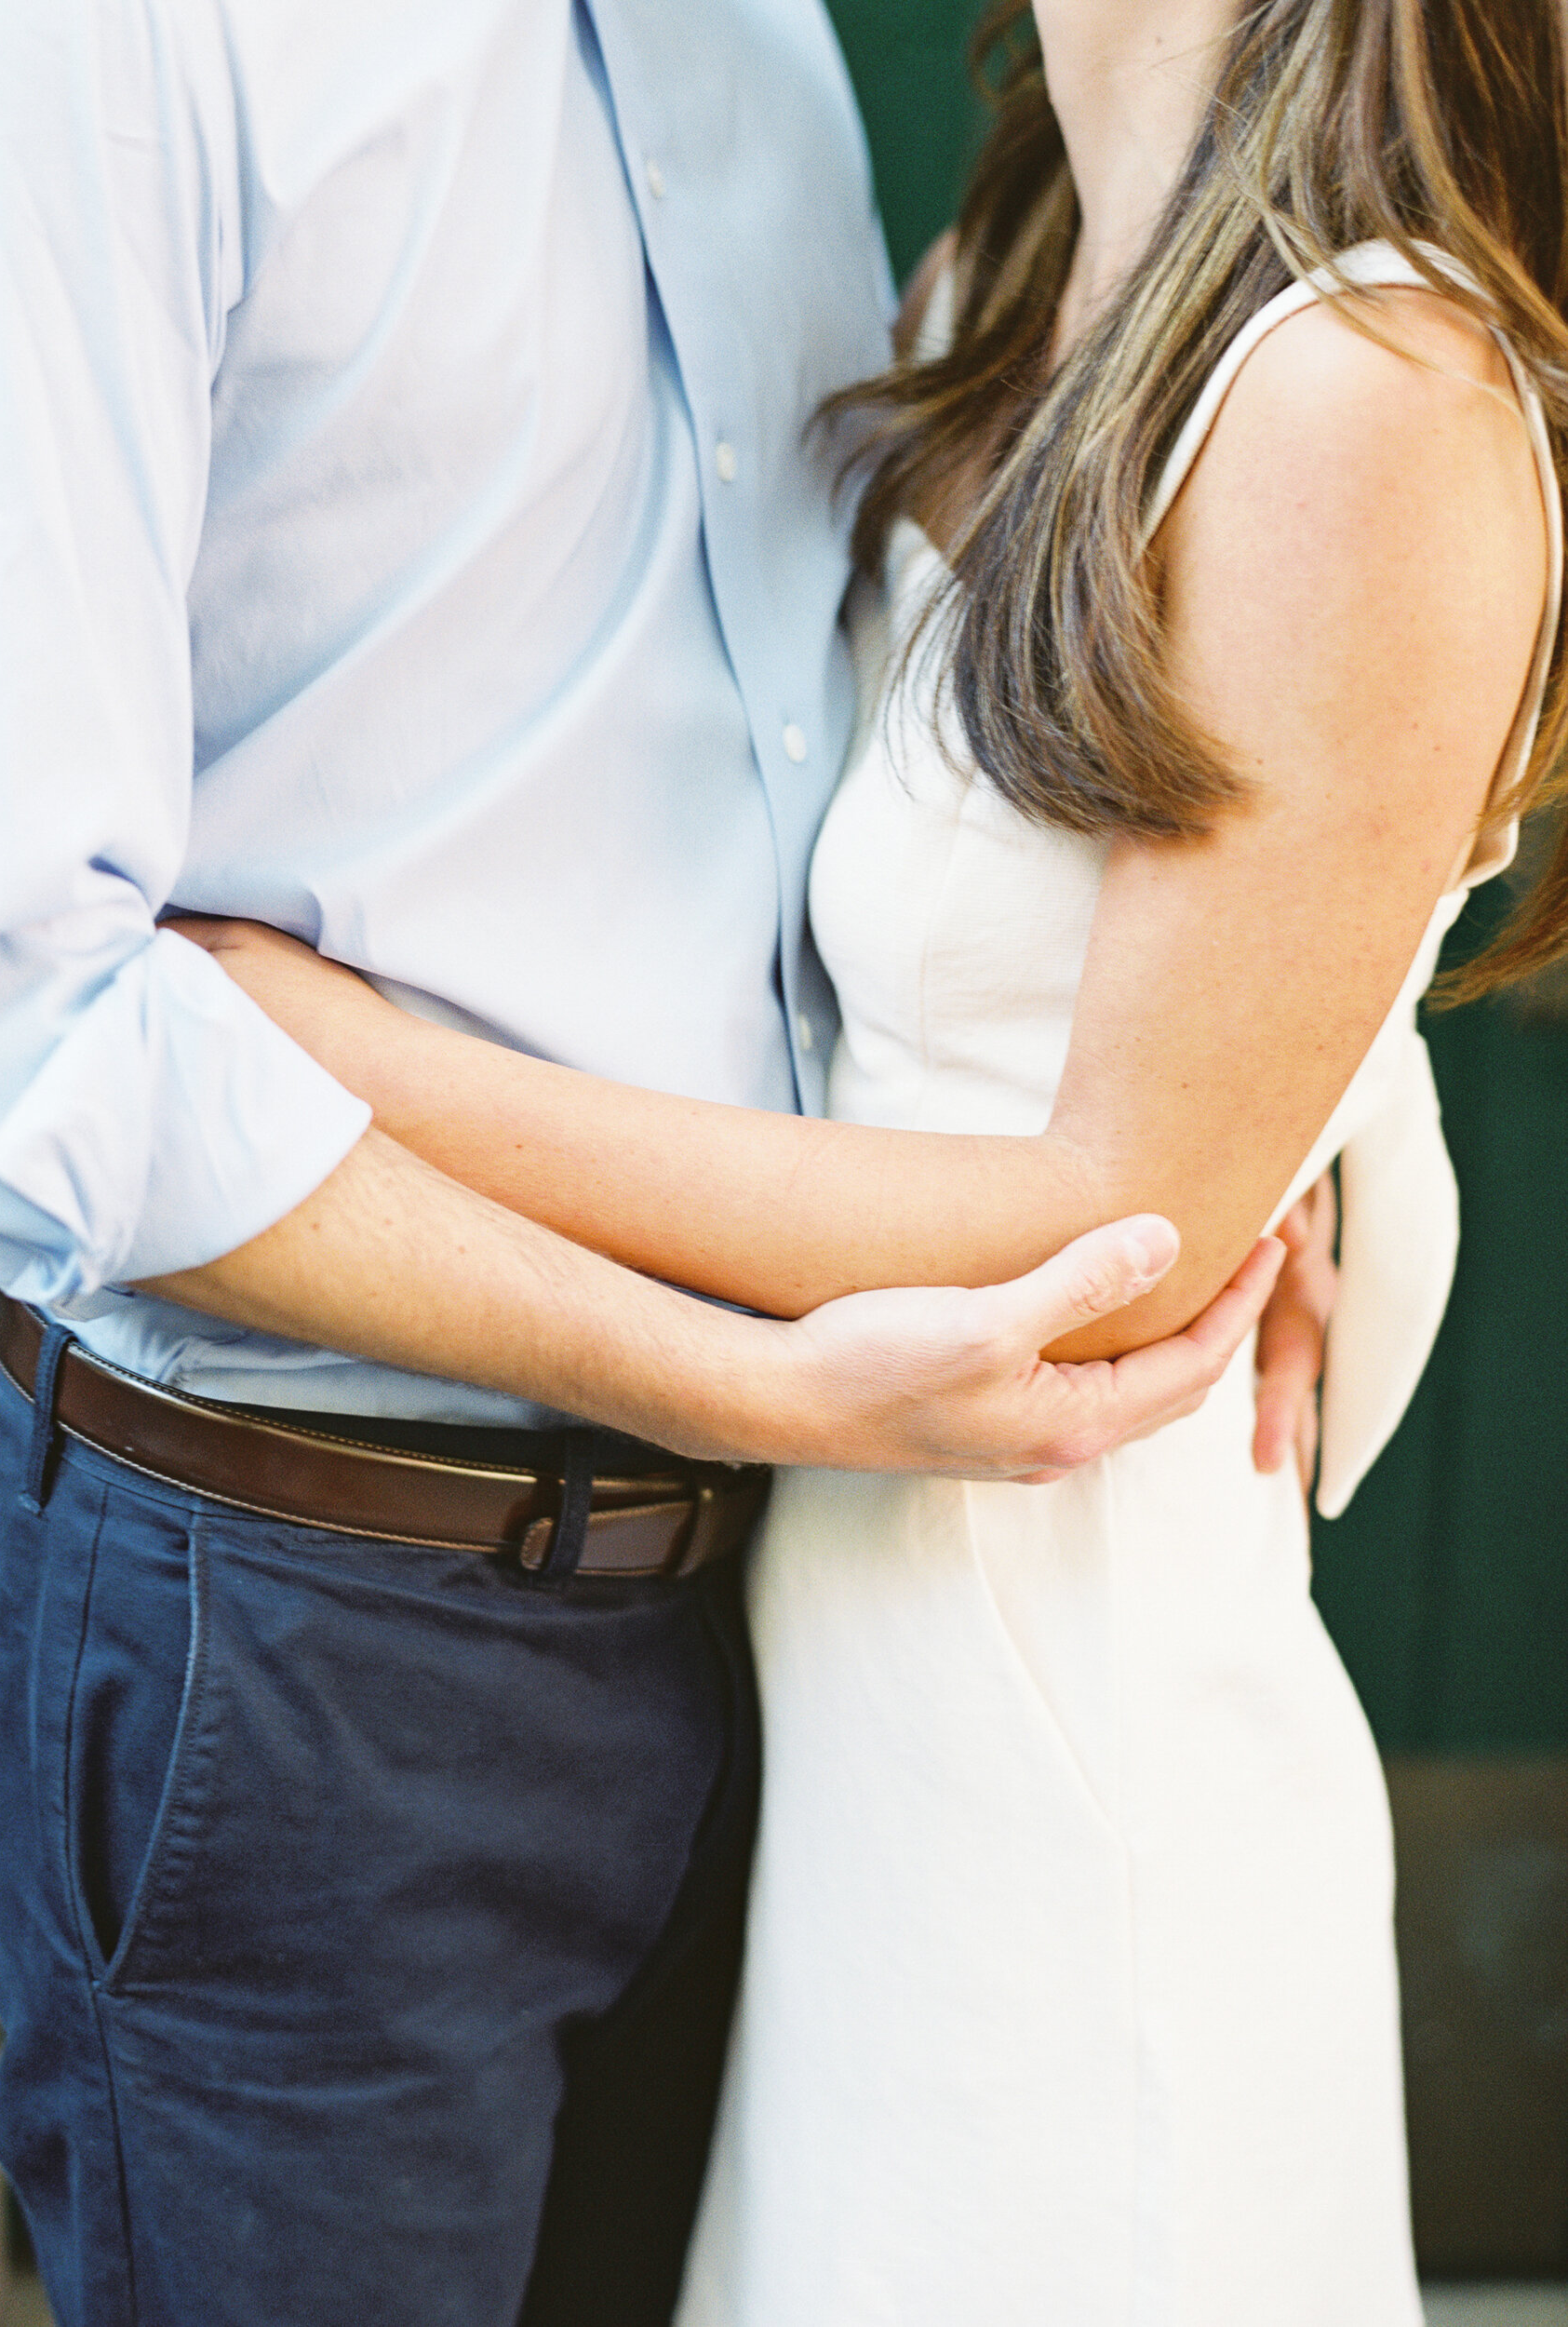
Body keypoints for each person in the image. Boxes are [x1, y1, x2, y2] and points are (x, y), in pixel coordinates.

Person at [0, 2, 1322, 2322]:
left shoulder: (745, 26)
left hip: (782, 1625)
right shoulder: (63, 37)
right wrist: (739, 1377)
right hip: (298, 1614)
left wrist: (1251, 1097)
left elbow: (872, 689)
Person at [165, 0, 1568, 2320]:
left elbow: (1097, 1229)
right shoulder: (1013, 260)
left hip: (1066, 1721)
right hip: (834, 1697)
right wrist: (1315, 1109)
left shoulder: (1368, 390)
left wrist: (342, 1056)